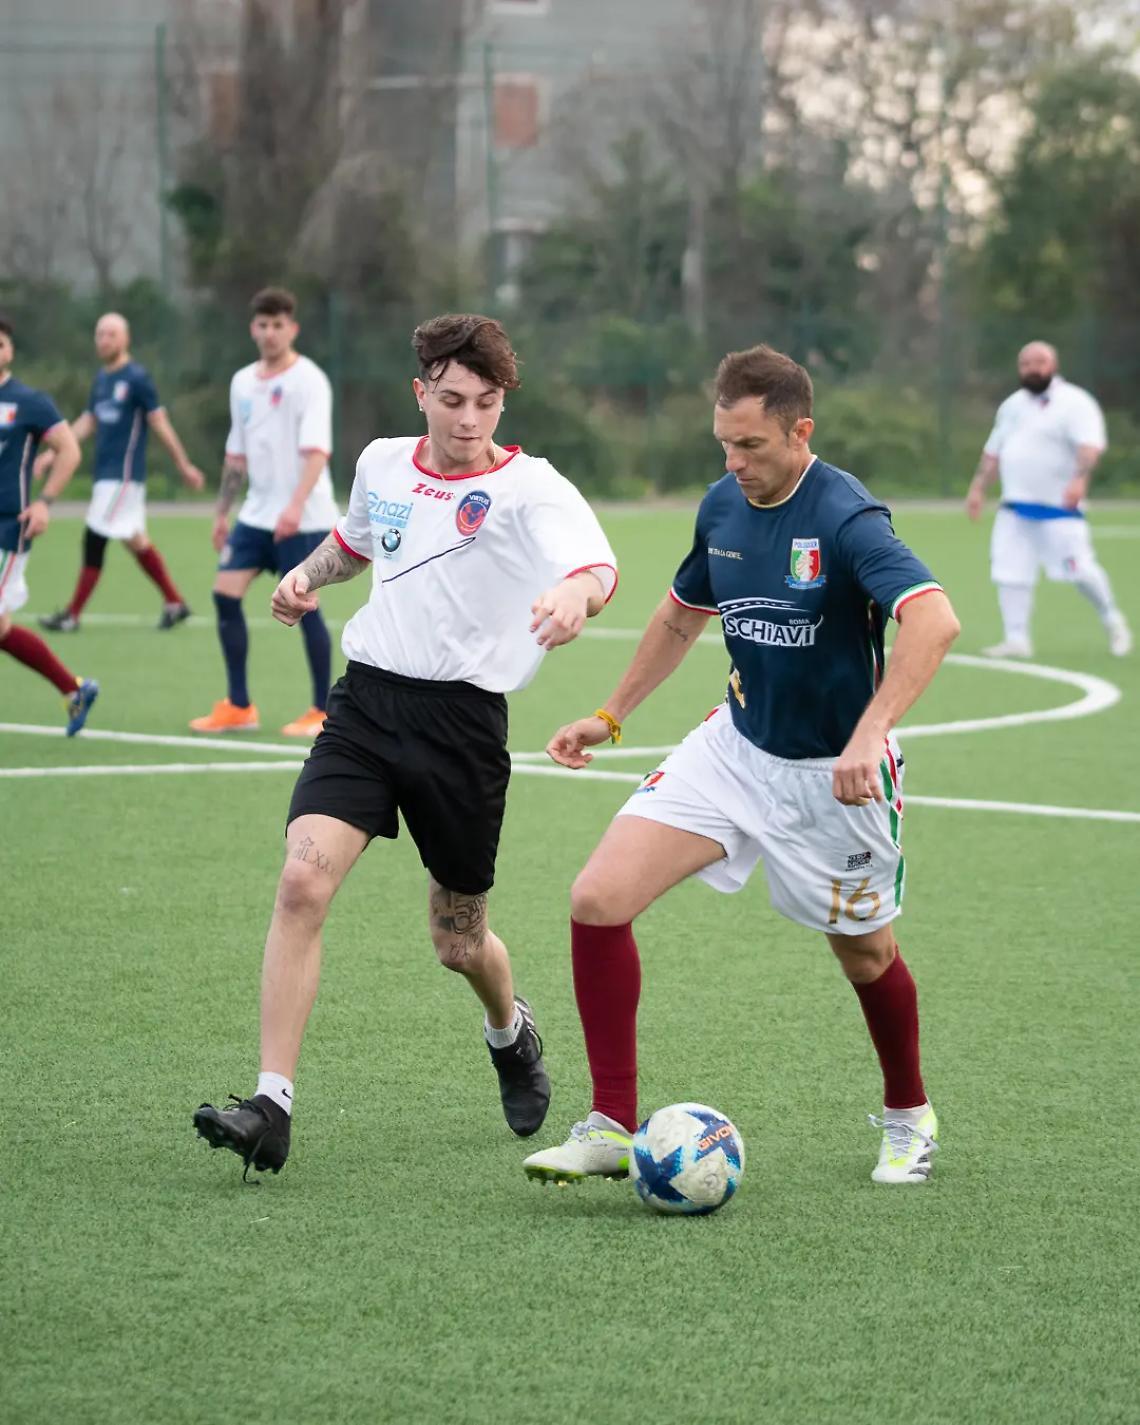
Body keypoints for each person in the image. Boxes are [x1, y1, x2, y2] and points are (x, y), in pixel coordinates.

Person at [523, 343, 961, 1189]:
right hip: (734, 748)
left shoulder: (848, 517)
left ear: (801, 432)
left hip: (835, 774)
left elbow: (934, 620)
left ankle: (910, 1114)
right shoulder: (723, 504)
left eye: (752, 445)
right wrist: (610, 715)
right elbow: (680, 616)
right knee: (597, 898)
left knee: (865, 954)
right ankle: (611, 1122)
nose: (734, 462)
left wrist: (871, 732)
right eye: (724, 443)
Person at [193, 313, 618, 1179]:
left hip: (463, 726)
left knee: (459, 941)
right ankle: (271, 1104)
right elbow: (355, 542)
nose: (470, 418)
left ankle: (510, 1032)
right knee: (301, 881)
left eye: (487, 402)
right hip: (366, 707)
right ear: (420, 391)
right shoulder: (383, 463)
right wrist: (307, 575)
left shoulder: (529, 486)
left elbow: (595, 567)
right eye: (453, 399)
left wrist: (576, 597)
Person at [189, 288, 338, 738]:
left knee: (304, 607)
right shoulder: (242, 382)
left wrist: (294, 507)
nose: (270, 333)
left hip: (303, 516)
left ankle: (322, 711)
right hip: (256, 514)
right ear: (252, 329)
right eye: (263, 324)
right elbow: (236, 455)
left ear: (293, 329)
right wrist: (222, 513)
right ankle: (239, 706)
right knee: (224, 593)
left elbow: (317, 453)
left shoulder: (310, 380)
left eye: (278, 325)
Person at [37, 312, 205, 633]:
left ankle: (72, 614)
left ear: (126, 339)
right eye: (100, 334)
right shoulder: (102, 379)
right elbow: (88, 421)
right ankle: (175, 603)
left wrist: (183, 464)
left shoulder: (137, 378)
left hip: (123, 478)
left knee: (95, 537)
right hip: (106, 477)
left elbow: (159, 422)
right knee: (135, 540)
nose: (104, 340)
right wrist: (52, 452)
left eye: (111, 334)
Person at [966, 341, 1131, 658]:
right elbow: (994, 451)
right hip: (1015, 507)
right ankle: (1016, 638)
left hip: (1059, 508)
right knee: (1010, 572)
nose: (1032, 369)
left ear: (1053, 365)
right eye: (1026, 363)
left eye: (1039, 362)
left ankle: (1112, 620)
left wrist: (1079, 479)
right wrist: (978, 488)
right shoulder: (1012, 406)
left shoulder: (1075, 403)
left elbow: (1089, 446)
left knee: (1080, 569)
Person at [0, 315, 99, 733]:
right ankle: (74, 690)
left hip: (8, 527)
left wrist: (44, 502)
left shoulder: (28, 401)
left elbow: (69, 450)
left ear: (10, 351)